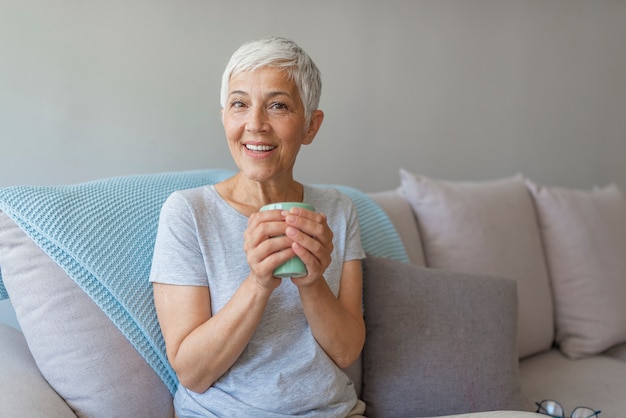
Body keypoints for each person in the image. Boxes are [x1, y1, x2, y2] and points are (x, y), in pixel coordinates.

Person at [149, 36, 366, 417]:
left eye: (278, 106)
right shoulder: (188, 212)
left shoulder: (337, 209)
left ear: (311, 127)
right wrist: (259, 283)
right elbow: (192, 372)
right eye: (239, 104)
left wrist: (313, 282)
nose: (255, 124)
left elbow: (346, 351)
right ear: (224, 118)